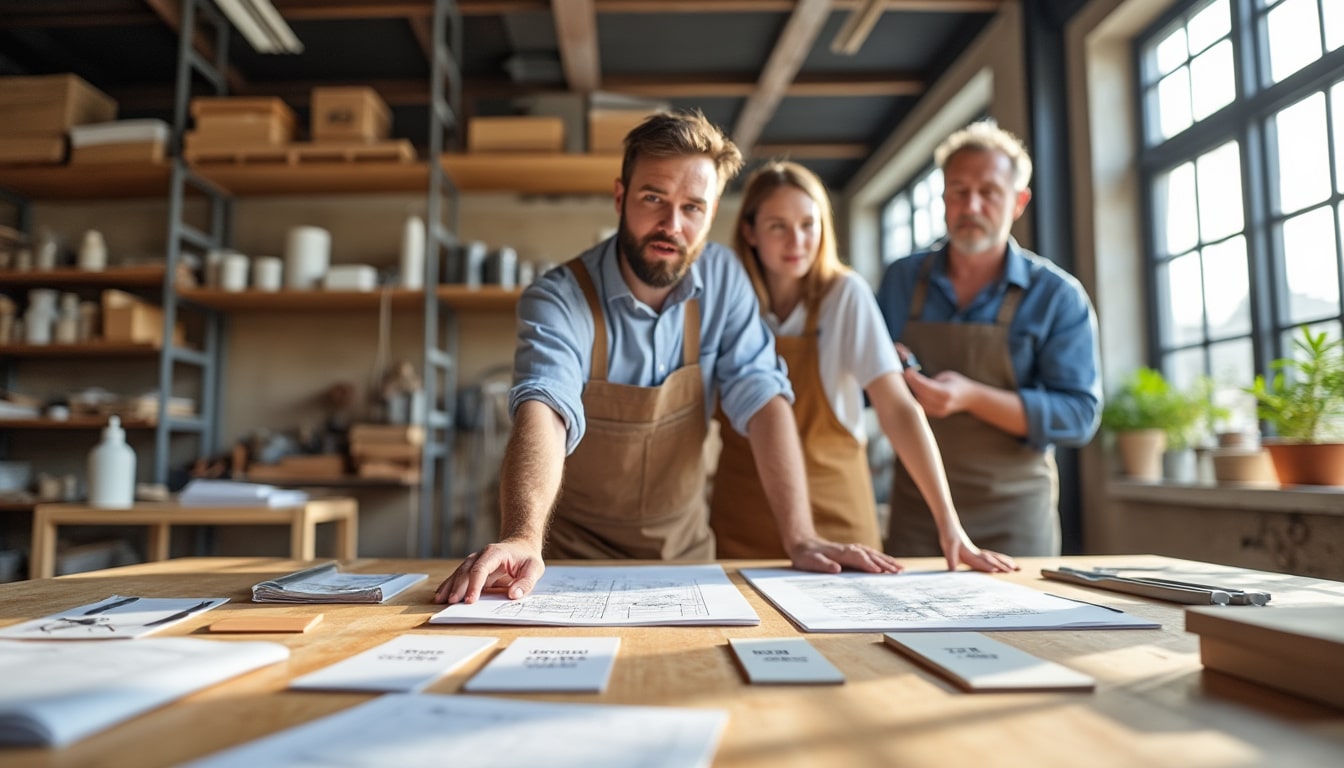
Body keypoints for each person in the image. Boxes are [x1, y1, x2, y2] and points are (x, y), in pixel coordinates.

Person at [436, 110, 901, 605]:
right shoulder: (559, 297)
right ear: (621, 197)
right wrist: (524, 535)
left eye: (693, 207)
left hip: (683, 557)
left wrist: (801, 536)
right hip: (567, 561)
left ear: (712, 209)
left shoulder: (723, 281)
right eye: (653, 199)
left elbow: (764, 399)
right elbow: (544, 408)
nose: (671, 225)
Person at [709, 160, 1015, 573]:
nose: (796, 240)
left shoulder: (845, 295)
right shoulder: (728, 300)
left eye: (808, 224)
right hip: (741, 516)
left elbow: (897, 408)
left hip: (838, 518)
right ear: (750, 231)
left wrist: (950, 523)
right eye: (778, 226)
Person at [876, 120, 1102, 557]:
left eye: (989, 192)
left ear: (1019, 202)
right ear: (942, 198)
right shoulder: (902, 279)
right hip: (917, 513)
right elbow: (865, 389)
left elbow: (1078, 415)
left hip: (1015, 517)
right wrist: (889, 368)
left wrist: (971, 397)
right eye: (958, 191)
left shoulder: (1057, 295)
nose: (971, 205)